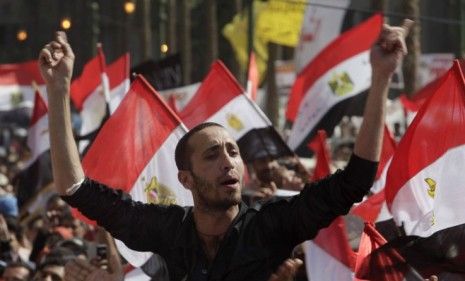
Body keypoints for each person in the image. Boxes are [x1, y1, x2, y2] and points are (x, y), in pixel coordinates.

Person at [39, 19, 413, 281]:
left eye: (233, 152)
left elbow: (356, 179)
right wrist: (58, 92)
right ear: (185, 179)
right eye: (212, 155)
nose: (229, 162)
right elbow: (75, 188)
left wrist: (380, 79)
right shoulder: (167, 229)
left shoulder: (271, 224)